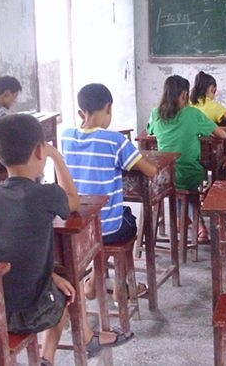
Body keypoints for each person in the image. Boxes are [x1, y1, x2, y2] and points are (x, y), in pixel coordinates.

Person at [0, 114, 129, 366]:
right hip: (31, 314)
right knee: (68, 290)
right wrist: (57, 157)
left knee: (54, 280)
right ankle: (46, 358)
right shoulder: (47, 194)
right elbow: (73, 200)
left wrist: (50, 275)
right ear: (39, 151)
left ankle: (48, 356)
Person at [61, 83, 157, 301]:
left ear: (81, 112)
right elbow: (150, 171)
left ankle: (95, 280)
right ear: (109, 108)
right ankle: (120, 287)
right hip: (107, 229)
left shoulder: (66, 136)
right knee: (127, 220)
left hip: (78, 227)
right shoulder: (115, 140)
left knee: (102, 225)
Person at [147, 75, 226, 243]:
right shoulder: (193, 114)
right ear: (185, 95)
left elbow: (150, 131)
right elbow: (222, 134)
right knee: (186, 182)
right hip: (190, 173)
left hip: (165, 175)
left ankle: (181, 220)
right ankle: (199, 226)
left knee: (176, 181)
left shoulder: (156, 113)